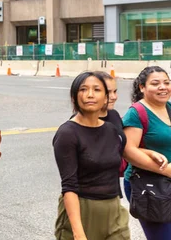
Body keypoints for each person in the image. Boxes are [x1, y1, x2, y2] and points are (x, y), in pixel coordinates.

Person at [53, 71, 130, 240]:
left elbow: (121, 156)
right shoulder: (67, 133)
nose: (90, 94)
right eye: (83, 89)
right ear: (74, 97)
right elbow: (69, 186)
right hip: (83, 209)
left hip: (113, 207)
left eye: (96, 89)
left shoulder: (111, 129)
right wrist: (78, 232)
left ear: (105, 98)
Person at [123, 66, 171, 238]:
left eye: (166, 82)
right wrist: (166, 170)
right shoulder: (136, 113)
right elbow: (128, 151)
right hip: (149, 185)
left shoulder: (169, 108)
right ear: (142, 87)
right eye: (155, 83)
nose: (163, 87)